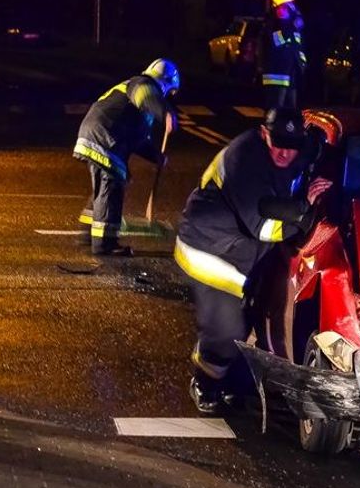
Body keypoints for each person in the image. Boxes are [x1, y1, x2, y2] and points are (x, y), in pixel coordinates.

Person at [175, 108, 332, 414]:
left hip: (245, 253)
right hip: (211, 250)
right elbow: (263, 227)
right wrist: (305, 210)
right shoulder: (244, 158)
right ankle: (204, 384)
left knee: (247, 322)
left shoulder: (296, 150)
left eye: (292, 146)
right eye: (278, 144)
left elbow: (308, 158)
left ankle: (231, 383)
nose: (285, 153)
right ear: (264, 134)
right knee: (226, 329)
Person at [73, 58, 178, 256]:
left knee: (107, 185)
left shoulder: (138, 100)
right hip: (105, 137)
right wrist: (164, 113)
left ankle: (88, 233)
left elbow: (137, 139)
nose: (168, 96)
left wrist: (156, 157)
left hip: (98, 134)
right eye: (169, 91)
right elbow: (146, 97)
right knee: (111, 186)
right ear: (164, 82)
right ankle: (105, 243)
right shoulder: (143, 85)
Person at [260, 0, 307, 109]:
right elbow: (278, 42)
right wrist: (292, 27)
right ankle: (269, 127)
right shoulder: (273, 25)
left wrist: (301, 64)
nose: (291, 10)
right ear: (279, 9)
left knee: (290, 112)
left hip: (290, 76)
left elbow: (298, 48)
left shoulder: (293, 27)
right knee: (275, 109)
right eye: (287, 7)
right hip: (276, 76)